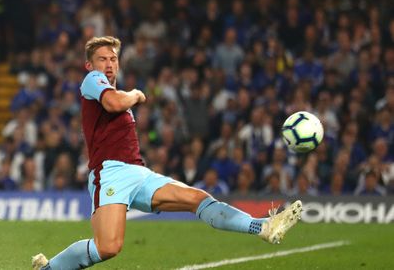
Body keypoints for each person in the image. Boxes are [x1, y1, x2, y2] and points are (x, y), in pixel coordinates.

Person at [32, 36, 302, 270]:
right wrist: (137, 94)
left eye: (113, 59)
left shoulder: (112, 89)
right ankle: (52, 268)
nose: (109, 64)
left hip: (138, 172)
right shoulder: (93, 81)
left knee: (198, 198)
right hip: (110, 173)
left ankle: (262, 227)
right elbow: (113, 103)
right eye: (102, 59)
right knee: (109, 247)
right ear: (90, 65)